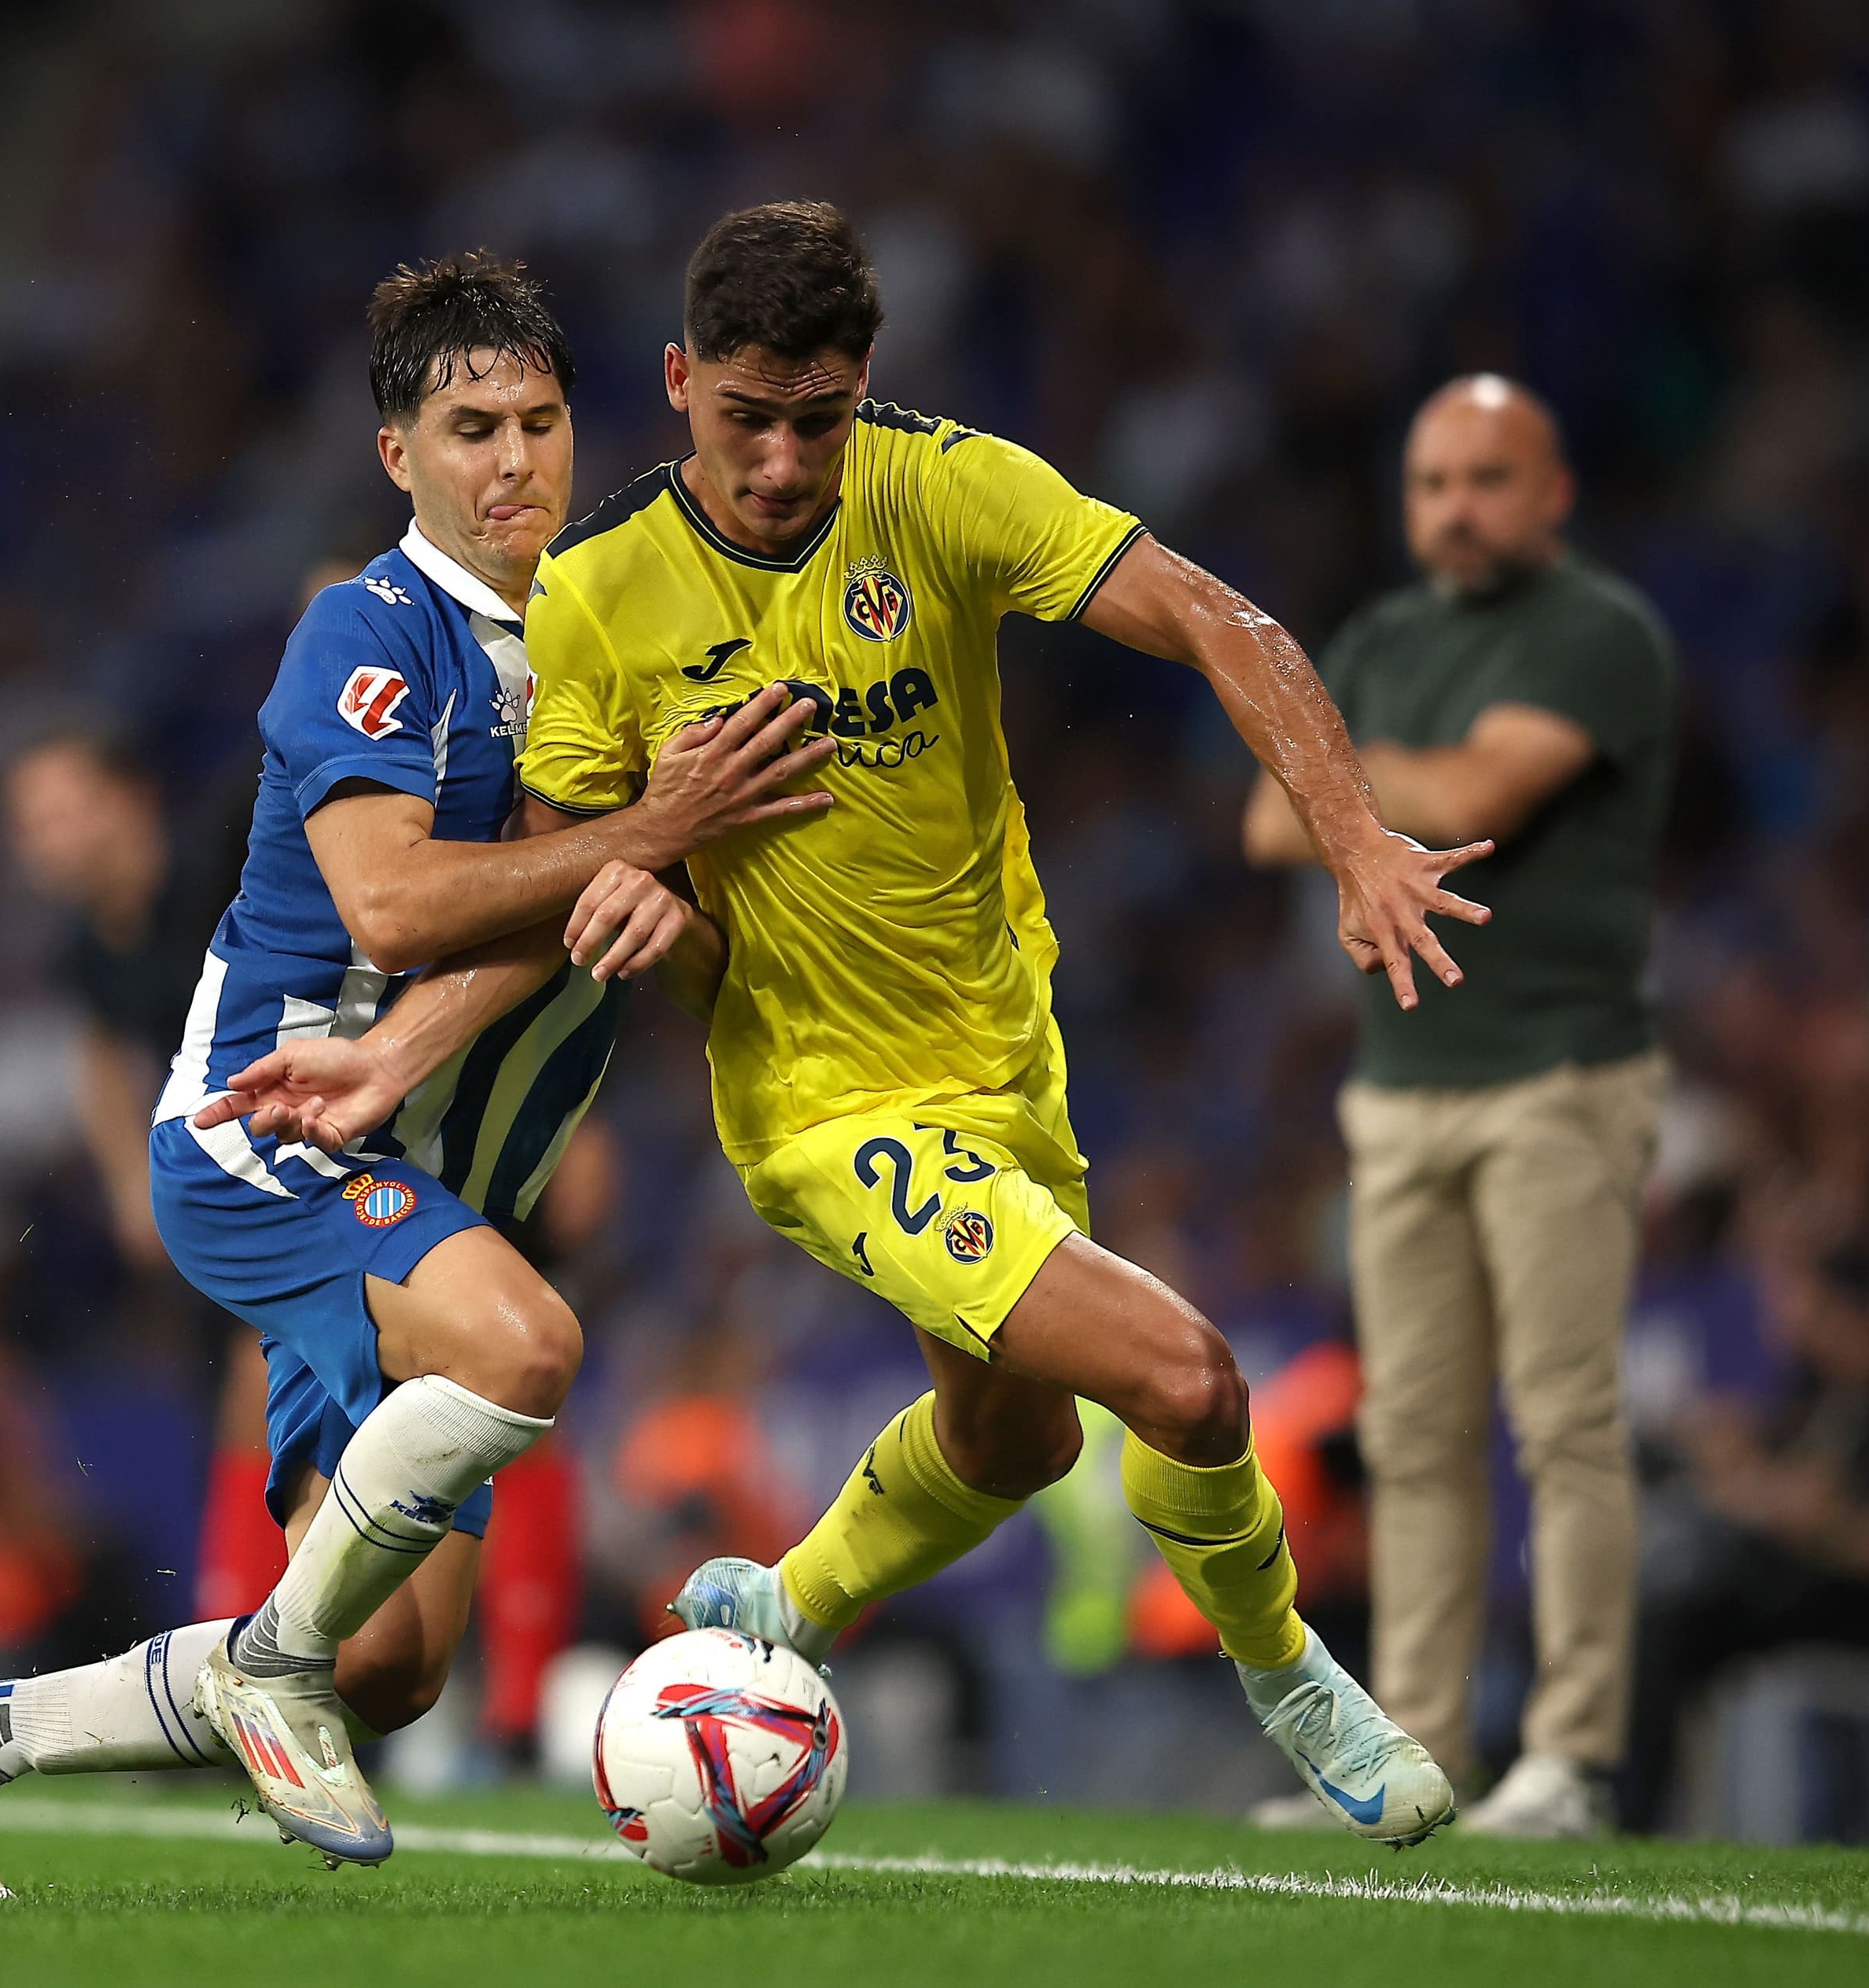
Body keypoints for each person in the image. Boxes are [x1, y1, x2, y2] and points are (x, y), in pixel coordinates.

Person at [208, 201, 1487, 1845]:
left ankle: (790, 1605)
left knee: (1011, 1441)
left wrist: (1357, 836)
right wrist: (433, 1029)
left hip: (1005, 1051)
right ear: (681, 383)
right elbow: (559, 876)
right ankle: (1295, 1677)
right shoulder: (601, 590)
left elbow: (1211, 617)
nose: (782, 463)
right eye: (747, 416)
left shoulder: (944, 487)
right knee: (1187, 1382)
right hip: (823, 1101)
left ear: (864, 385)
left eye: (818, 421)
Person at [0, 252, 831, 1892]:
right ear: (399, 456)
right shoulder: (363, 631)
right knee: (529, 1347)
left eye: (538, 422)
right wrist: (653, 831)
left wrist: (666, 885)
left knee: (389, 1666)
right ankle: (264, 1671)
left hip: (435, 1168)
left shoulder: (611, 633)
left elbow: (625, 913)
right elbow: (390, 903)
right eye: (469, 430)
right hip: (277, 1127)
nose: (512, 461)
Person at [1242, 374, 1679, 1839]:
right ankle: (1416, 1749)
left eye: (1490, 479)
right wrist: (1367, 792)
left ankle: (1572, 1754)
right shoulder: (1381, 638)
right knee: (1414, 1435)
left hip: (1561, 1075)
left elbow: (1494, 786)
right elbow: (1263, 816)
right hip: (1401, 1089)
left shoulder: (1600, 632)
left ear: (1554, 492)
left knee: (1565, 1421)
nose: (1458, 509)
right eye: (1434, 483)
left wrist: (1345, 783)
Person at [0, 728, 293, 1621]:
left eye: (60, 813)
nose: (42, 842)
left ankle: (243, 1636)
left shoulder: (224, 871)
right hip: (219, 1187)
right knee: (239, 1411)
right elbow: (99, 1051)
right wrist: (131, 1183)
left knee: (259, 1393)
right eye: (29, 825)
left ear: (128, 798)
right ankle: (251, 1635)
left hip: (310, 1153)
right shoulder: (88, 947)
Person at [1621, 1221, 1869, 1831]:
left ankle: (1628, 1822)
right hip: (1842, 1583)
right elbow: (1822, 1479)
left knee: (1675, 1619)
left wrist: (1831, 1534)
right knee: (1669, 1600)